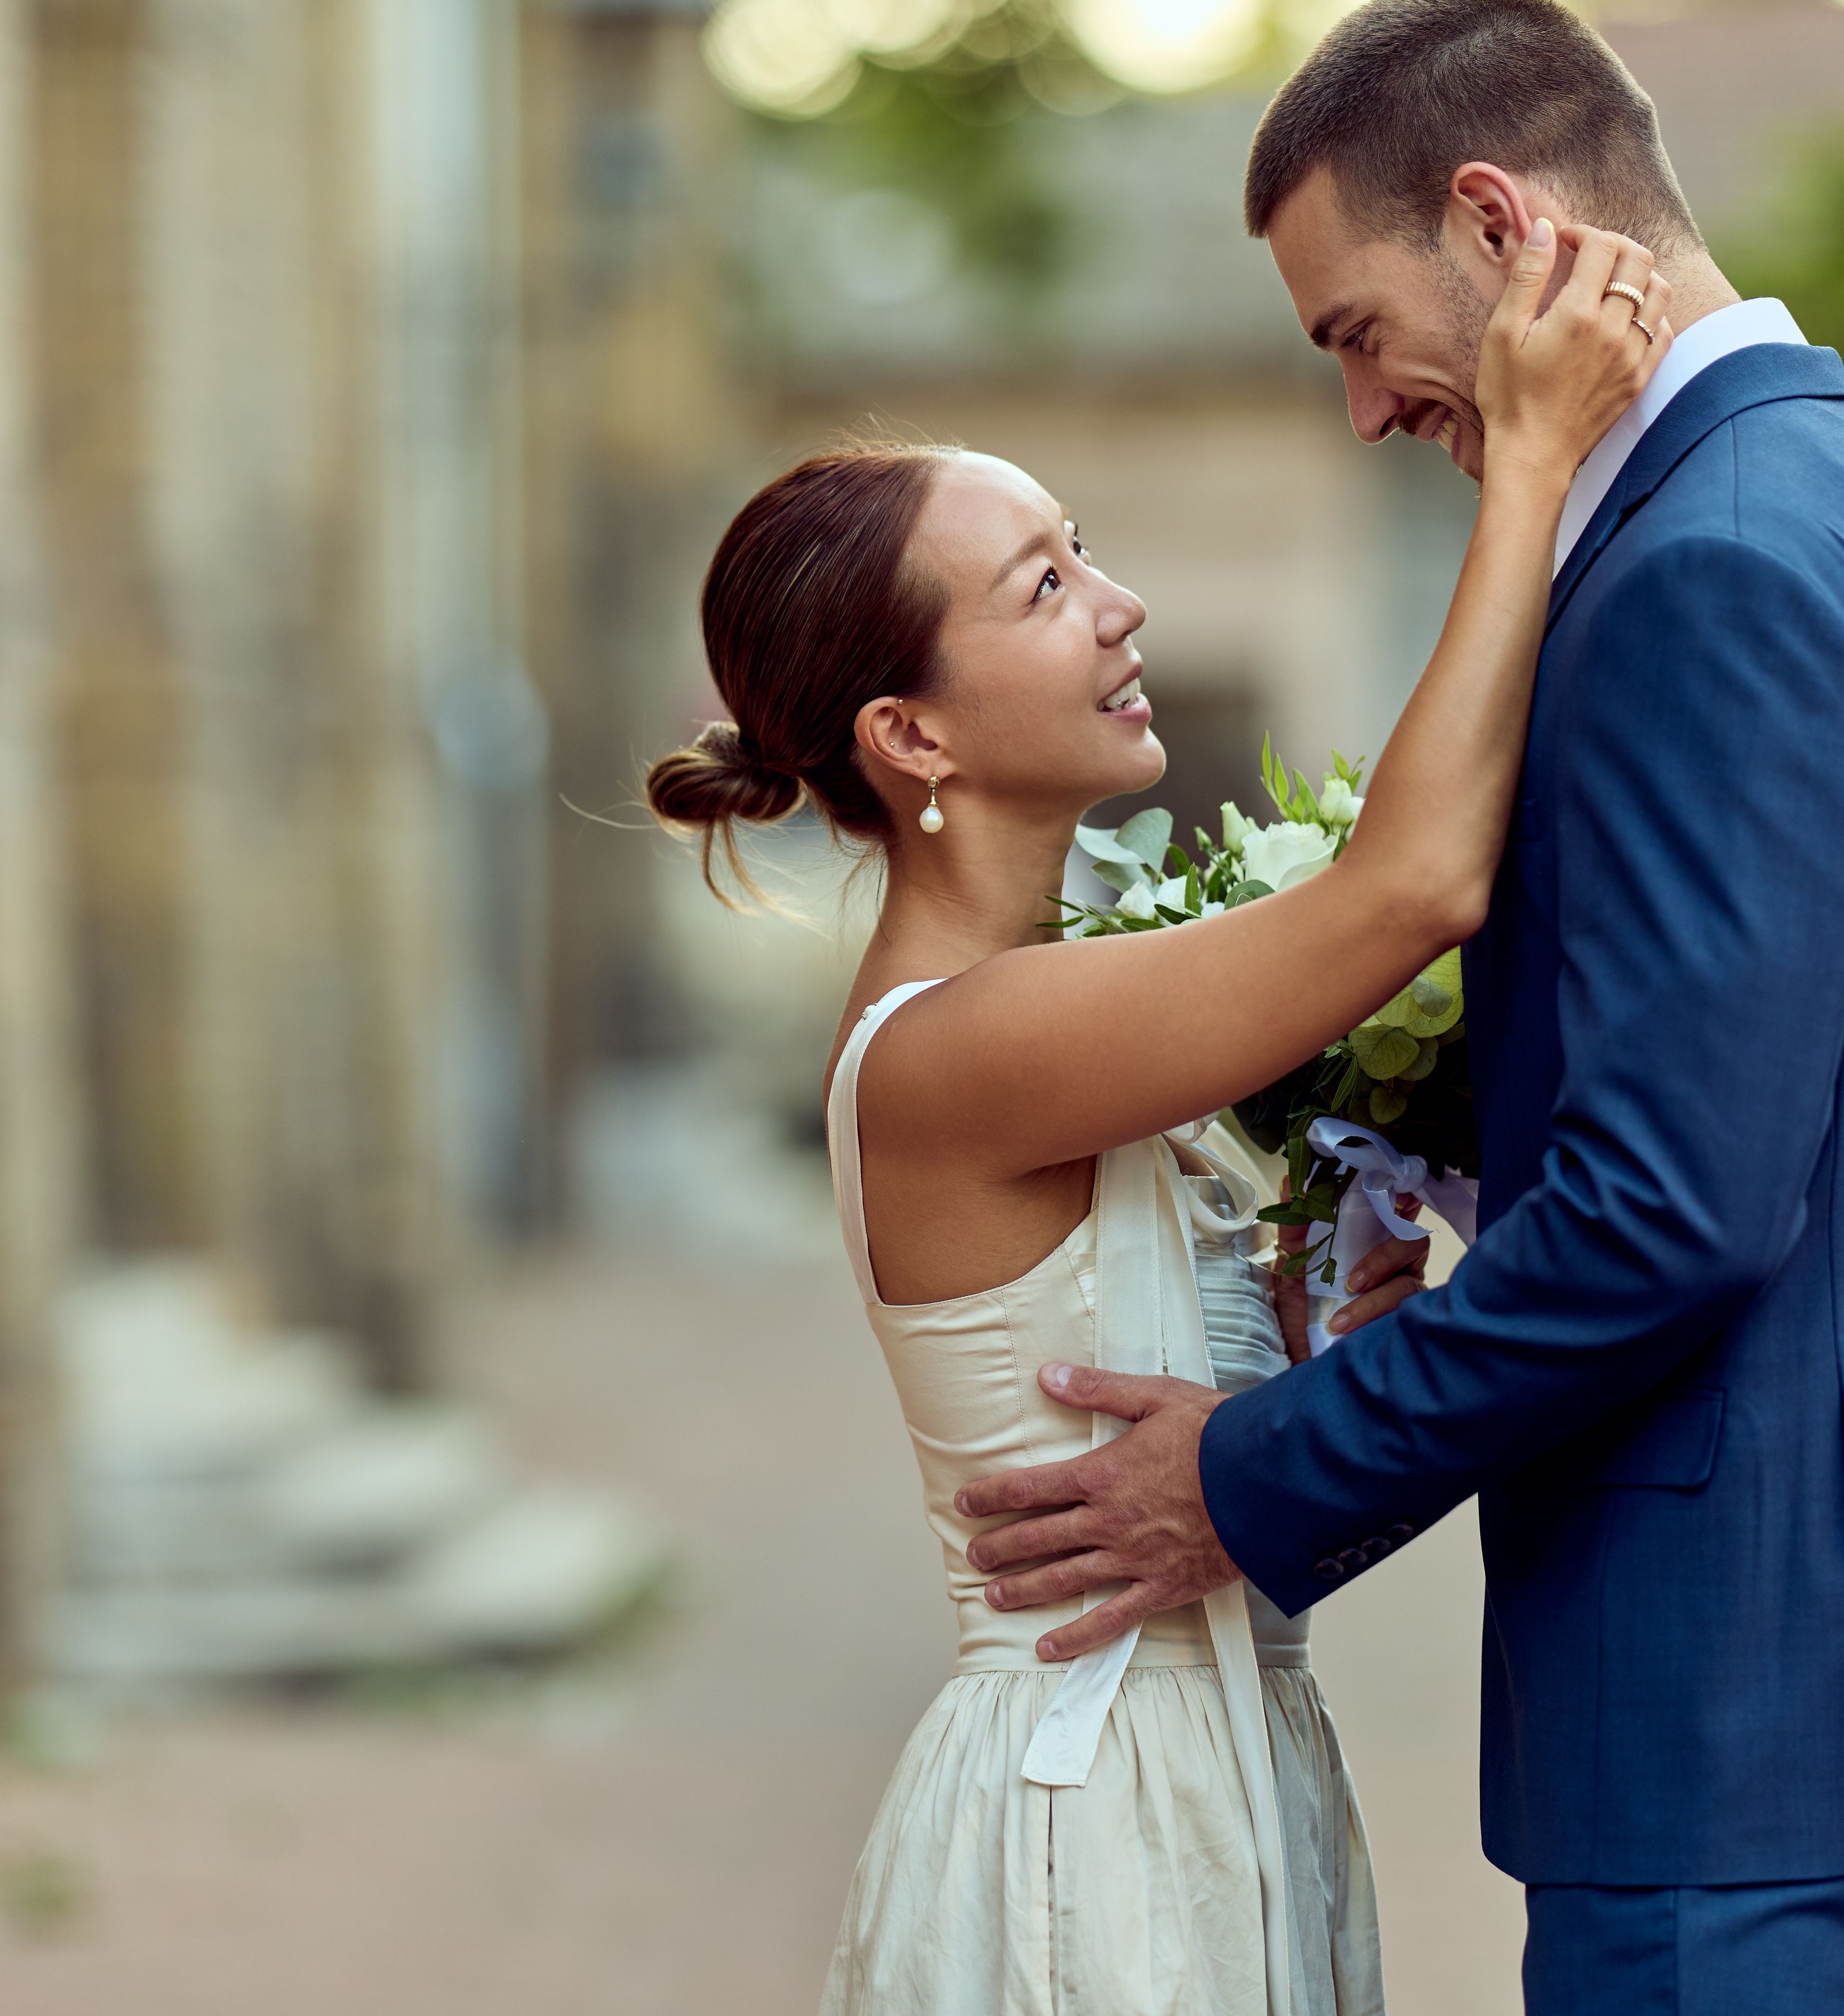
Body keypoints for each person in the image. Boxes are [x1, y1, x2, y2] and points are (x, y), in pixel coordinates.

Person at [951, 0, 1844, 2015]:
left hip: (1750, 1714)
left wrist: (1252, 1475)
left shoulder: (1703, 571)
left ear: (1498, 223)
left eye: (1355, 333)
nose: (1363, 409)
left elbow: (1671, 1212)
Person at [644, 219, 1670, 2014]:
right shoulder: (953, 1048)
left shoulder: (1084, 1025)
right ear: (913, 738)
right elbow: (1413, 883)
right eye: (1042, 589)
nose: (1120, 608)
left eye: (1087, 555)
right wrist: (1528, 461)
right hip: (1093, 1831)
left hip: (1225, 1778)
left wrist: (1345, 1363)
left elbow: (1236, 1521)